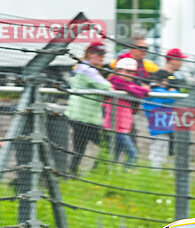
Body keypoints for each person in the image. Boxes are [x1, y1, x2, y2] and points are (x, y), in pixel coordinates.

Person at [64, 41, 112, 176]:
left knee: (79, 148)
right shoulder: (87, 70)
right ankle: (97, 172)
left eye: (103, 54)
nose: (102, 57)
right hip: (85, 117)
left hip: (76, 115)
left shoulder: (79, 67)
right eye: (99, 54)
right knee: (108, 143)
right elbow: (105, 86)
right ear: (90, 54)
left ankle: (72, 173)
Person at [105, 58, 150, 166]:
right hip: (115, 127)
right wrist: (135, 89)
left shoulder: (126, 83)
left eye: (132, 72)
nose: (130, 75)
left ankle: (108, 176)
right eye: (127, 71)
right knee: (132, 154)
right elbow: (139, 92)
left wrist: (135, 89)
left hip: (123, 126)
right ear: (119, 70)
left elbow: (145, 91)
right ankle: (124, 173)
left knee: (113, 156)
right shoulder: (116, 82)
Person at [142, 71, 179, 169]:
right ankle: (155, 172)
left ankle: (157, 171)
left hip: (158, 126)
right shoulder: (159, 92)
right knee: (158, 153)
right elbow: (174, 97)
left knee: (160, 152)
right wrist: (173, 88)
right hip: (161, 127)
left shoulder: (151, 92)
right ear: (164, 81)